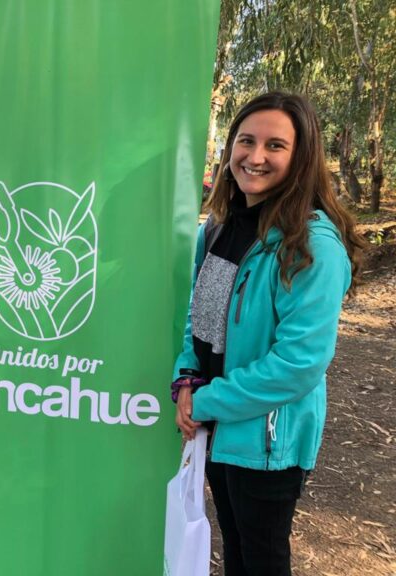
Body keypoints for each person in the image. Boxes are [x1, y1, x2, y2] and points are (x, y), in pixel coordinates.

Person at [171, 92, 365, 576]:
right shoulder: (217, 229)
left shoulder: (312, 247)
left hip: (267, 442)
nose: (255, 157)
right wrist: (186, 379)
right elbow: (197, 317)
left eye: (275, 145)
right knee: (235, 545)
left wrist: (208, 401)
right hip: (218, 428)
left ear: (301, 158)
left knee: (261, 557)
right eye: (246, 141)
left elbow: (298, 364)